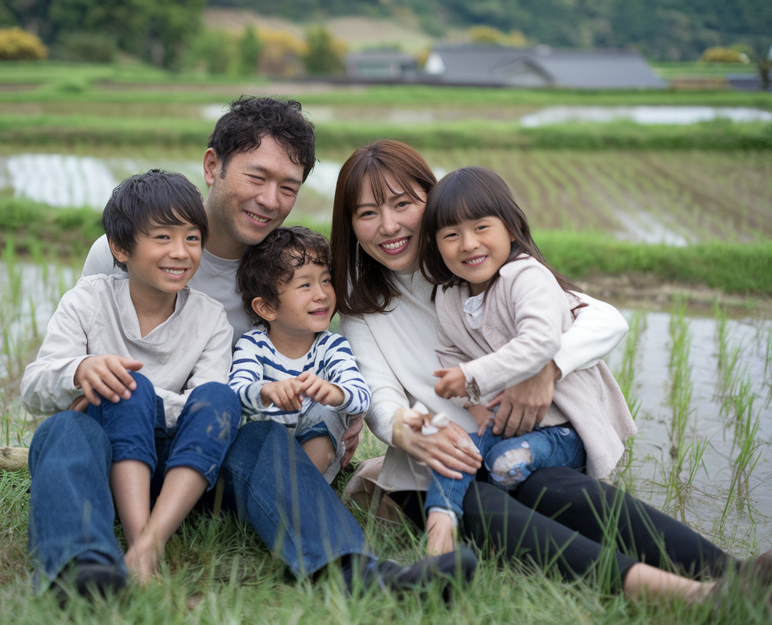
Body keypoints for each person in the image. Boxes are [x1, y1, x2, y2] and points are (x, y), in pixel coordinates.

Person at [331, 139, 772, 606]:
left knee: (558, 489)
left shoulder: (482, 272)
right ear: (350, 225)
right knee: (484, 506)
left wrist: (546, 370)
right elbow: (379, 397)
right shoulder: (362, 310)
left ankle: (746, 581)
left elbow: (604, 318)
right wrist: (404, 429)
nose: (388, 226)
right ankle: (694, 598)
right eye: (368, 213)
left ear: (431, 202)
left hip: (512, 444)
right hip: (433, 468)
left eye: (403, 204)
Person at [77, 97, 477, 596]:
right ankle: (91, 565)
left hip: (215, 458)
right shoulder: (126, 251)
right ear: (212, 166)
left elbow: (322, 365)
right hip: (127, 445)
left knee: (261, 438)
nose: (270, 199)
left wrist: (334, 415)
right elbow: (81, 359)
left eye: (288, 187)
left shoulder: (281, 275)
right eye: (257, 177)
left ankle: (359, 574)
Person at [22, 170, 240, 594]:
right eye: (162, 238)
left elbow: (205, 408)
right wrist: (81, 371)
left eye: (192, 238)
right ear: (120, 248)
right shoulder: (87, 299)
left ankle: (146, 548)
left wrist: (116, 395)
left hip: (171, 471)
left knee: (218, 397)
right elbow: (33, 388)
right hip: (97, 463)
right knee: (66, 427)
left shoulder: (211, 318)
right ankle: (81, 564)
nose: (180, 252)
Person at [415, 166, 636, 556]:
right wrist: (473, 405)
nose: (468, 244)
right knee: (457, 449)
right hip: (505, 421)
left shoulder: (526, 277)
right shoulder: (449, 296)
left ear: (512, 228)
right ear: (435, 245)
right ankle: (440, 531)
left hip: (565, 426)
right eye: (451, 235)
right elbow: (450, 355)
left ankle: (514, 502)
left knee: (502, 463)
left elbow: (540, 342)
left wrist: (470, 375)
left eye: (481, 227)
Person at [229, 226, 371, 482]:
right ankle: (277, 488)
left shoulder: (332, 346)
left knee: (328, 412)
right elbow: (235, 392)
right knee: (251, 427)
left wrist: (335, 393)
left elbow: (361, 396)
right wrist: (266, 391)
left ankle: (299, 488)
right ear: (267, 307)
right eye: (305, 285)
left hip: (316, 457)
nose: (322, 294)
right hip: (266, 458)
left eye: (326, 280)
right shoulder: (253, 345)